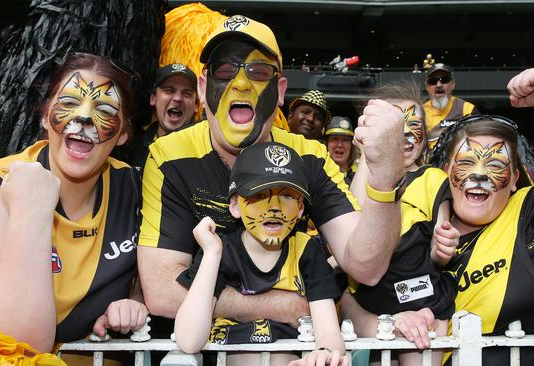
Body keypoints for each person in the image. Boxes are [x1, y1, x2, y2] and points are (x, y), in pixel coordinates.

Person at [138, 15, 405, 329]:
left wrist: (387, 173)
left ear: (279, 90)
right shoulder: (170, 156)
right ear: (202, 86)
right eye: (224, 71)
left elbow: (366, 266)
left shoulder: (308, 156)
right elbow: (161, 291)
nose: (239, 83)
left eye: (258, 71)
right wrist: (279, 305)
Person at [412, 68, 534, 365]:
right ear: (444, 174)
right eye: (466, 162)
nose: (478, 175)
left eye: (495, 165)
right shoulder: (415, 232)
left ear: (515, 178)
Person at [0, 53, 148, 354]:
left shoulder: (136, 188)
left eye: (105, 109)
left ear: (123, 133)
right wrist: (30, 213)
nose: (84, 118)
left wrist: (135, 301)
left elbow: (156, 271)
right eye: (70, 103)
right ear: (45, 115)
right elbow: (7, 343)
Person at [175, 141, 347, 366]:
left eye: (287, 196)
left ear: (301, 208)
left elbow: (329, 332)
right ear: (235, 206)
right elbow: (188, 340)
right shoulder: (221, 251)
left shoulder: (306, 251)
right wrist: (211, 254)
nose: (274, 207)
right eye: (259, 195)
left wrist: (325, 352)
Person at [342, 81, 459, 365]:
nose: (403, 137)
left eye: (413, 127)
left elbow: (439, 244)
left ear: (426, 135)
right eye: (395, 128)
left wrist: (442, 249)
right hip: (373, 300)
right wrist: (370, 156)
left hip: (422, 301)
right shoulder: (357, 179)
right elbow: (356, 215)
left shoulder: (433, 178)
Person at [125, 63, 198, 169]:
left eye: (186, 93)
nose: (177, 98)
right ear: (153, 98)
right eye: (169, 91)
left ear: (196, 105)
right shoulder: (131, 149)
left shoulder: (207, 152)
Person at [423, 63, 478, 151]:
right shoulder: (420, 111)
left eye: (444, 80)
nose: (438, 85)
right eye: (433, 81)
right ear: (427, 86)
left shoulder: (467, 109)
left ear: (453, 84)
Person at [324, 116, 358, 185]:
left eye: (345, 140)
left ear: (352, 145)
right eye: (335, 139)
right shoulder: (319, 172)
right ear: (327, 143)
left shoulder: (359, 174)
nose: (340, 145)